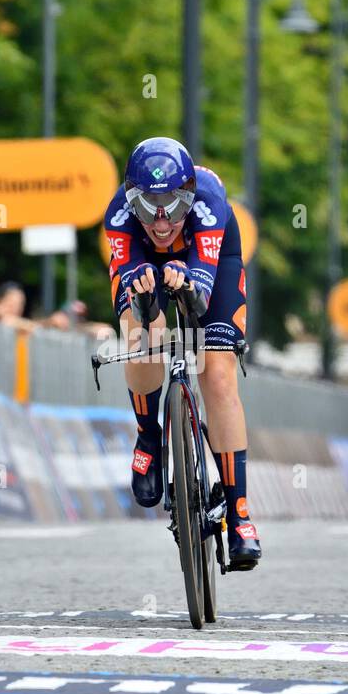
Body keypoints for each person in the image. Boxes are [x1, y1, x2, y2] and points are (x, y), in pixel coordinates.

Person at [103, 136, 260, 570]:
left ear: (189, 195)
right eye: (147, 205)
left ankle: (239, 513)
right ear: (131, 198)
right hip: (144, 265)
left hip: (206, 263)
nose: (160, 220)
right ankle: (148, 435)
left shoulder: (210, 202)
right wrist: (146, 295)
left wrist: (188, 279)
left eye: (172, 206)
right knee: (142, 336)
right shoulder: (118, 217)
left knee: (218, 373)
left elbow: (204, 299)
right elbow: (132, 284)